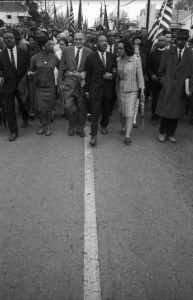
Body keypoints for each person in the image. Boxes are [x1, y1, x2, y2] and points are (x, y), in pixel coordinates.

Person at [156, 29, 193, 143]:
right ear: (175, 39)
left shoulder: (190, 54)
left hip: (181, 88)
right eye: (178, 39)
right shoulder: (168, 52)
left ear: (186, 41)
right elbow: (161, 71)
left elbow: (192, 74)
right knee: (165, 112)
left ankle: (171, 133)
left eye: (182, 39)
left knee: (176, 113)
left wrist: (189, 88)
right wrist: (164, 81)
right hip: (168, 87)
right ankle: (162, 132)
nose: (180, 41)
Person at [58, 30, 92, 137]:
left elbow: (91, 69)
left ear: (84, 40)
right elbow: (61, 67)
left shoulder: (89, 52)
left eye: (80, 39)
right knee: (69, 107)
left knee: (82, 108)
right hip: (69, 84)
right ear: (73, 39)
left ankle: (80, 128)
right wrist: (60, 82)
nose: (78, 41)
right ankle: (71, 126)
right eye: (76, 39)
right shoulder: (66, 50)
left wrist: (85, 73)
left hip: (82, 85)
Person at [86, 34, 117, 146]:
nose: (104, 43)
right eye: (101, 41)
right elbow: (88, 75)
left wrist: (112, 75)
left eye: (105, 41)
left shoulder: (112, 56)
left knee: (106, 111)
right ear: (96, 44)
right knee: (94, 113)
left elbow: (116, 71)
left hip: (108, 89)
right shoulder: (91, 57)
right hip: (95, 89)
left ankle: (104, 124)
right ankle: (93, 135)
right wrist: (87, 91)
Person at [0, 32, 29, 141]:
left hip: (21, 84)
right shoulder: (1, 55)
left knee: (23, 104)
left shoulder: (23, 52)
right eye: (6, 38)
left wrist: (29, 75)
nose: (8, 40)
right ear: (3, 40)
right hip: (8, 85)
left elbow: (30, 65)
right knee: (10, 108)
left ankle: (25, 118)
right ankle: (13, 131)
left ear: (14, 39)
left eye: (10, 38)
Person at [28, 36, 59, 136]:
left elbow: (61, 69)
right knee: (39, 108)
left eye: (52, 44)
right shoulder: (35, 58)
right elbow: (30, 70)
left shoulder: (54, 57)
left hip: (50, 85)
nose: (52, 46)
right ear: (42, 46)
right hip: (38, 85)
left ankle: (48, 126)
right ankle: (42, 123)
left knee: (49, 107)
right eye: (49, 44)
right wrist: (30, 74)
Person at [117, 38, 144, 145]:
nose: (118, 50)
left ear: (127, 48)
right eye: (118, 48)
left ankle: (127, 135)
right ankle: (123, 126)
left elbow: (140, 75)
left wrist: (142, 89)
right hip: (120, 88)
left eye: (120, 48)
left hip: (132, 88)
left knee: (129, 111)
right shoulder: (118, 59)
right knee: (121, 109)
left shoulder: (136, 59)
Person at [147, 35, 166, 125]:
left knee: (165, 100)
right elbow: (147, 66)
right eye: (159, 40)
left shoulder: (169, 53)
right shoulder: (152, 53)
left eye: (163, 40)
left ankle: (163, 116)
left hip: (165, 81)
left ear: (165, 42)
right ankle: (154, 117)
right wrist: (152, 75)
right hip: (154, 81)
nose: (161, 42)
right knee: (155, 99)